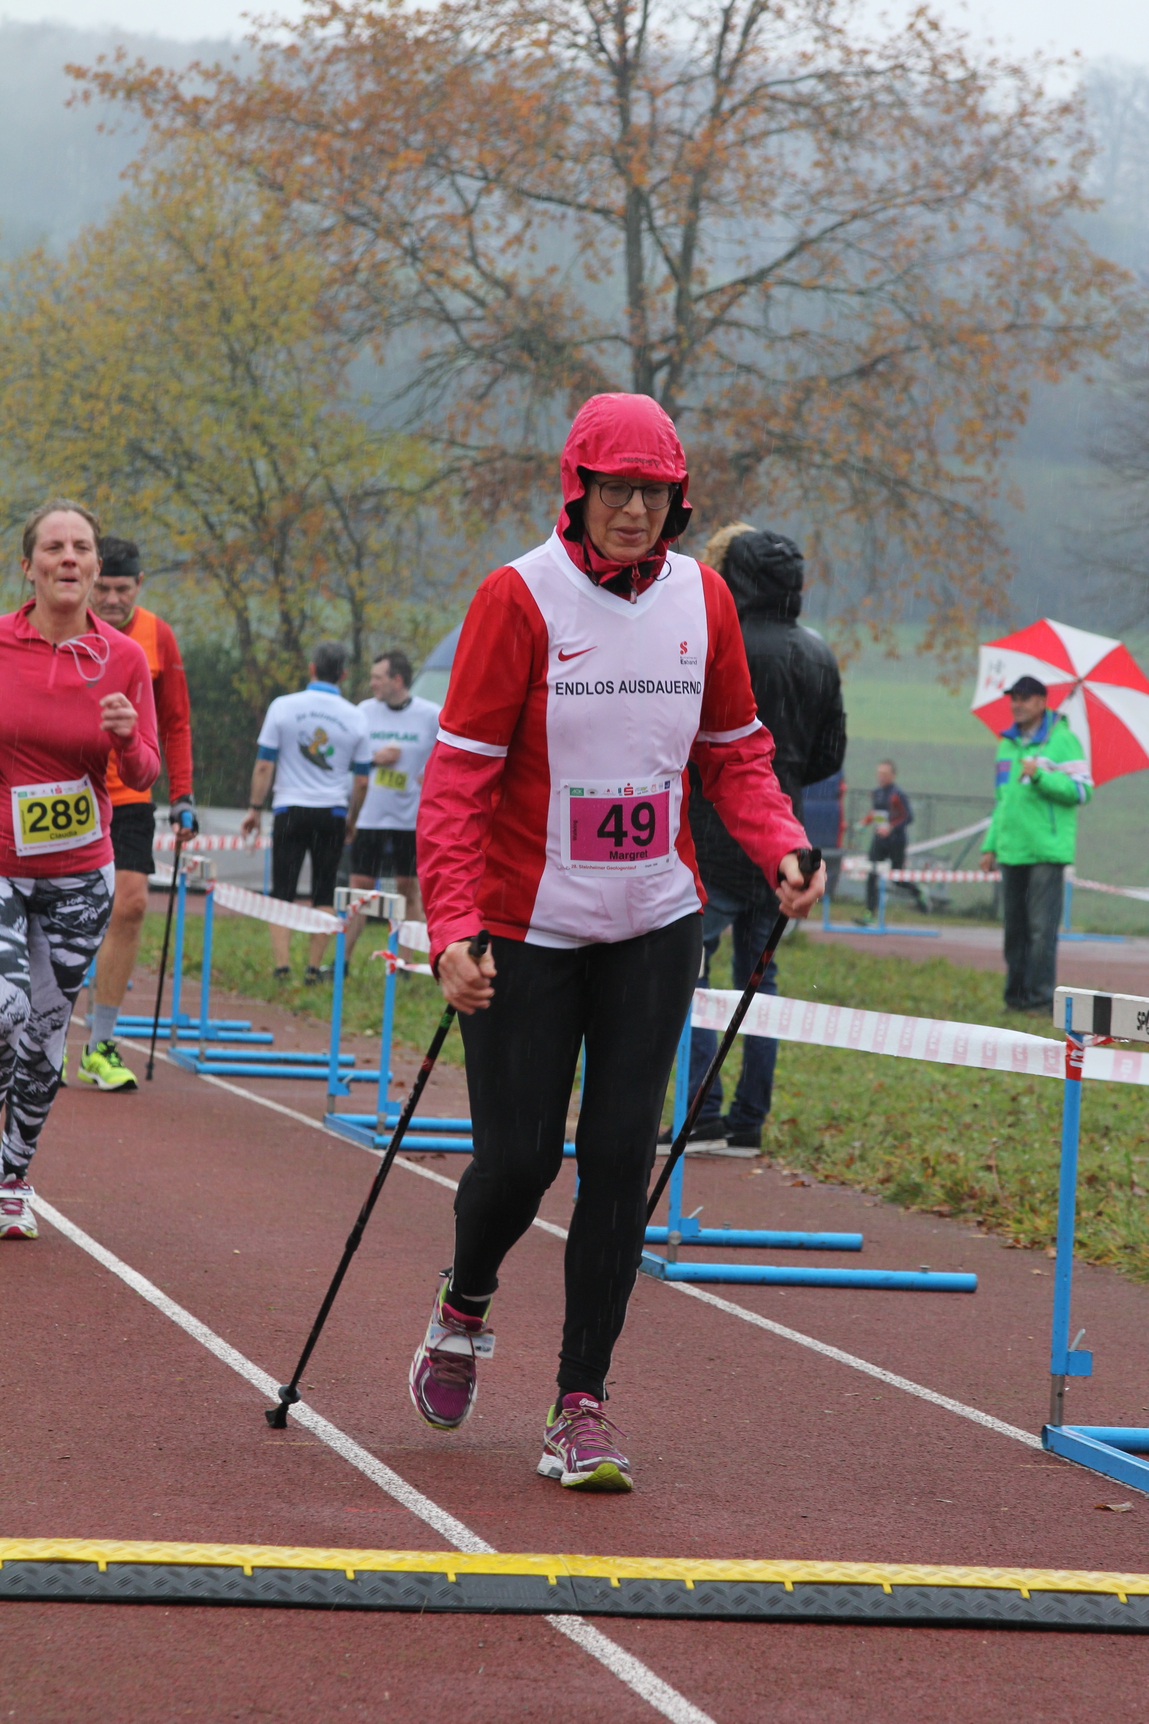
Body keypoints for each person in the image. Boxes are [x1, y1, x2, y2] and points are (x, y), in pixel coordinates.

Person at [411, 392, 824, 1492]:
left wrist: (780, 845)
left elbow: (734, 751)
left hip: (654, 920)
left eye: (653, 492)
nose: (634, 510)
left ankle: (579, 1403)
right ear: (577, 490)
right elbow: (457, 782)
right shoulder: (517, 596)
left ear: (677, 501)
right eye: (615, 490)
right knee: (519, 1161)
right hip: (528, 925)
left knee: (619, 1159)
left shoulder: (704, 599)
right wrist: (452, 925)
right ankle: (464, 1303)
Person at [0, 500, 159, 1240]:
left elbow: (145, 769)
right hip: (2, 861)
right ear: (27, 565)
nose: (69, 557)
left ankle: (13, 1176)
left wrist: (126, 740)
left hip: (77, 873)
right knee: (5, 1012)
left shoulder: (121, 658)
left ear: (96, 568)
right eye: (55, 547)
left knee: (43, 1036)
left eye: (82, 547)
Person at [683, 524, 845, 1149]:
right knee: (761, 980)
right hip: (786, 840)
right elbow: (831, 754)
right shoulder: (819, 654)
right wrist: (788, 776)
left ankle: (701, 1110)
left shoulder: (714, 640)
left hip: (713, 829)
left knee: (693, 973)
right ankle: (749, 1121)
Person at [79, 536, 196, 1092]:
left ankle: (100, 1044)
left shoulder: (157, 635)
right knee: (60, 914)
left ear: (139, 585)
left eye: (122, 589)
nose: (111, 599)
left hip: (129, 791)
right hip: (64, 790)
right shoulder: (60, 625)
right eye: (102, 587)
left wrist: (184, 795)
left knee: (129, 905)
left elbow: (175, 723)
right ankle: (42, 1036)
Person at [240, 644, 370, 983]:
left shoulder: (283, 706)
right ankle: (313, 968)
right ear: (343, 674)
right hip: (332, 812)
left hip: (290, 810)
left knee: (282, 890)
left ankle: (282, 968)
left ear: (312, 668)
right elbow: (361, 781)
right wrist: (352, 820)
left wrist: (255, 808)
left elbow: (265, 764)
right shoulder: (357, 716)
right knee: (324, 891)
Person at [979, 675, 1092, 1014]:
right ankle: (1015, 998)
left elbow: (1082, 790)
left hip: (1046, 850)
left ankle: (1040, 1000)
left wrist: (1041, 775)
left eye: (1025, 698)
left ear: (1042, 703)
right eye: (1014, 698)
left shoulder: (1064, 741)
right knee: (1014, 929)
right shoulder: (1006, 745)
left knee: (1041, 930)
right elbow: (1003, 800)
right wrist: (990, 845)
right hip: (1012, 849)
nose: (1017, 704)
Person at [345, 650, 440, 962]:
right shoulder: (363, 711)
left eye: (378, 678)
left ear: (397, 680)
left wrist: (433, 773)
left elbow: (451, 753)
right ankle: (342, 961)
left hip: (410, 819)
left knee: (408, 889)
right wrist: (375, 758)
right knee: (359, 889)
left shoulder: (430, 715)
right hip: (369, 816)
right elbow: (347, 758)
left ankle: (406, 963)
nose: (372, 683)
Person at [859, 759, 913, 919]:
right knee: (872, 875)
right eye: (879, 773)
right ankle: (869, 913)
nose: (881, 777)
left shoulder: (898, 794)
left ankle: (918, 892)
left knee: (897, 879)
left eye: (884, 774)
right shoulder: (876, 792)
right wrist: (864, 823)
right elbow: (876, 812)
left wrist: (891, 828)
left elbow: (908, 817)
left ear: (892, 775)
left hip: (896, 841)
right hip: (879, 841)